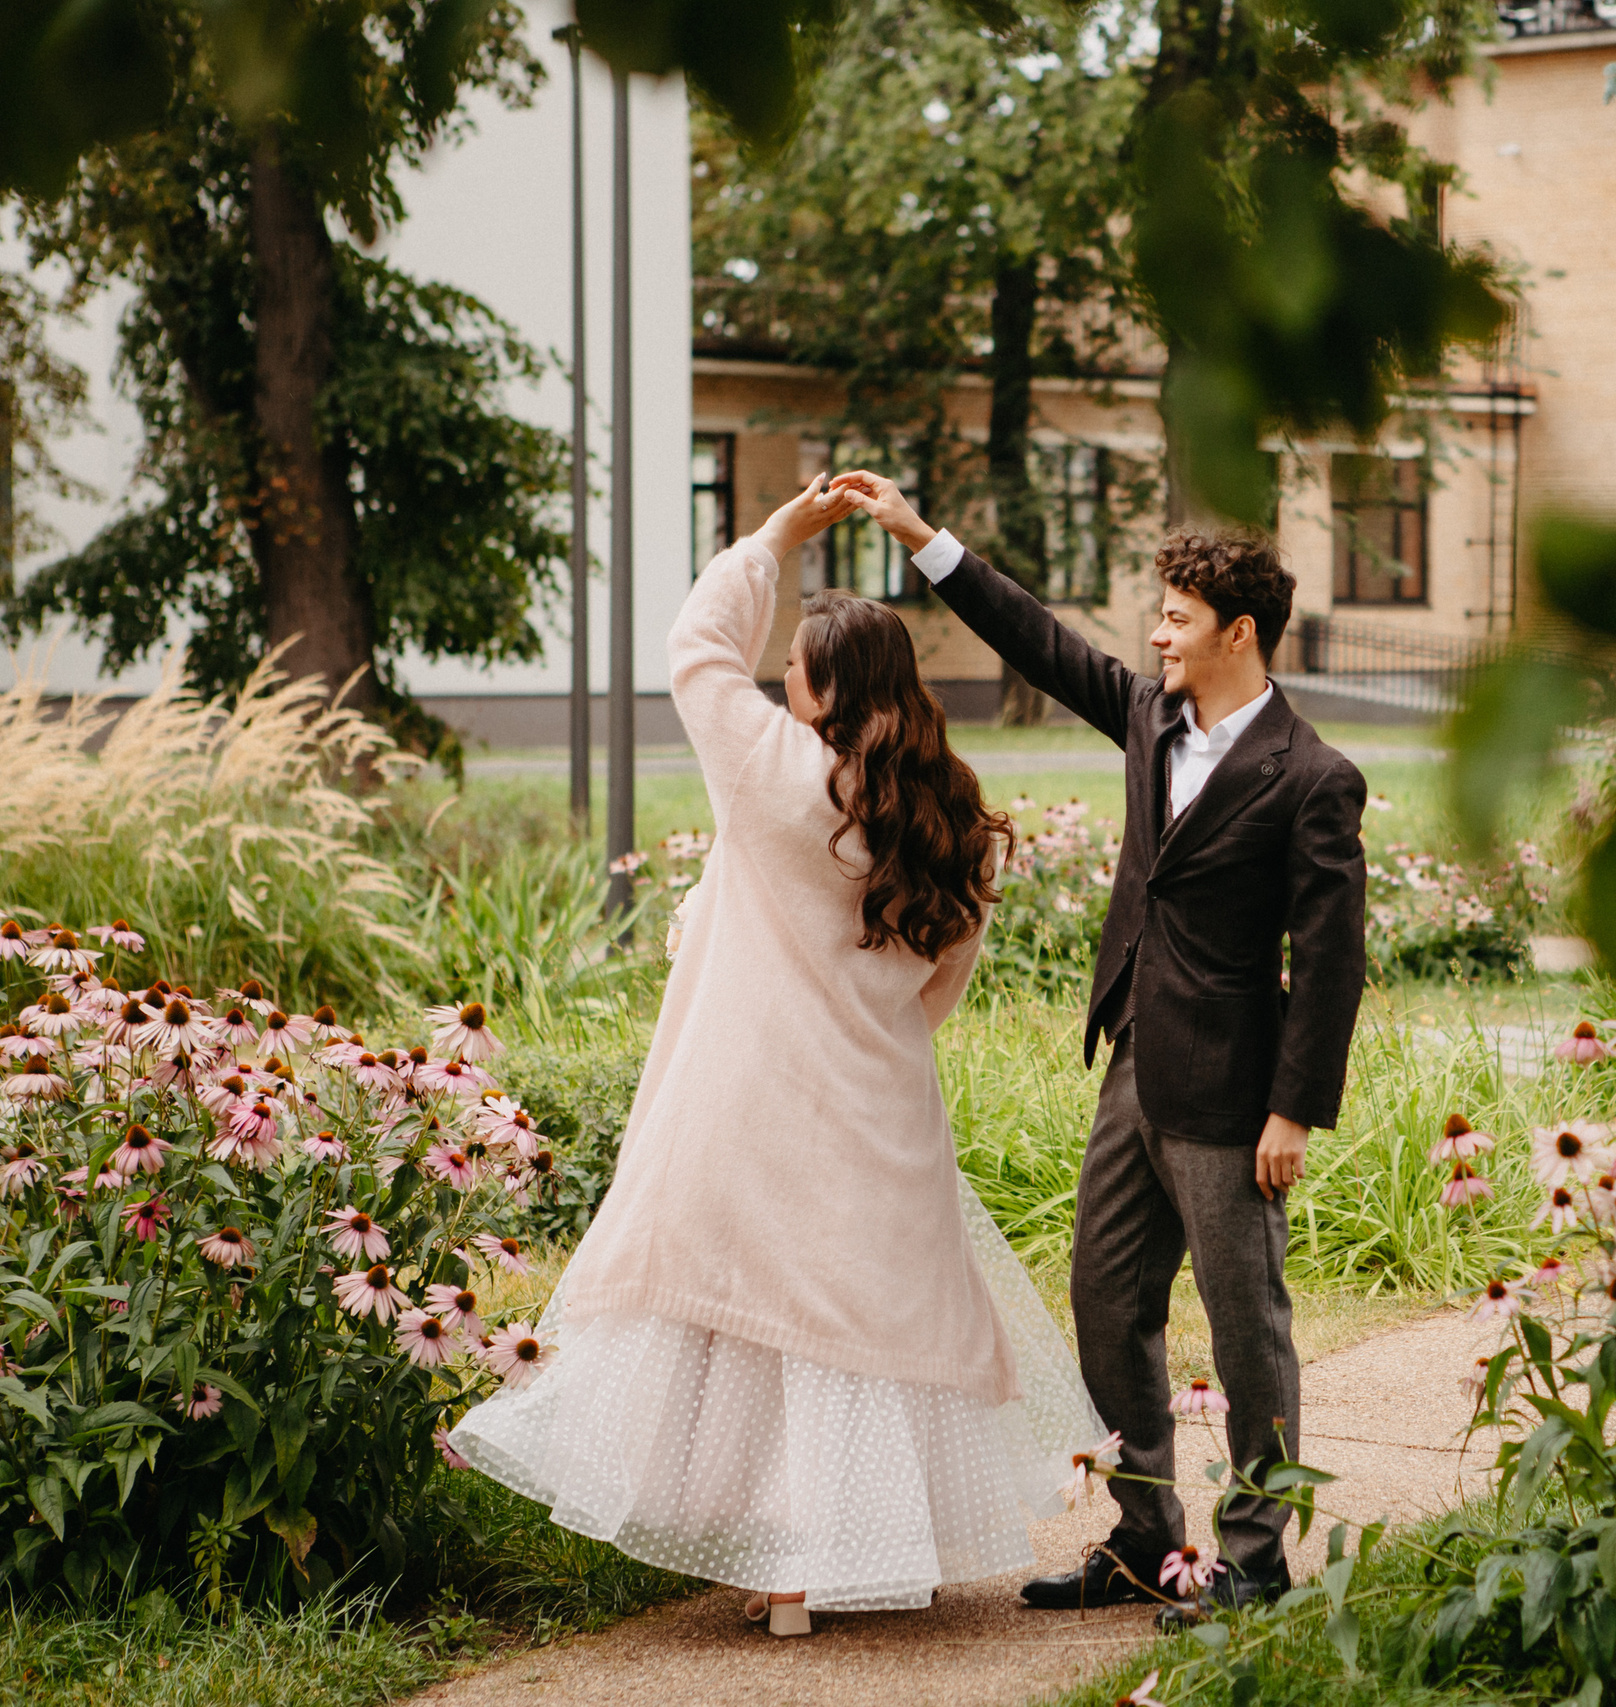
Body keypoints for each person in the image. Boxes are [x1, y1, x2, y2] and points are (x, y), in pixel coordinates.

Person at [449, 476, 1102, 1637]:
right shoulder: (951, 811)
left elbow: (696, 642)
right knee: (850, 1335)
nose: (778, 680)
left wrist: (775, 536)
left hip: (751, 1091)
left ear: (819, 689)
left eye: (794, 668)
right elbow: (944, 982)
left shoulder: (768, 772)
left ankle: (786, 1573)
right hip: (881, 1099)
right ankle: (832, 1561)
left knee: (756, 1325)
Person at [832, 471, 1368, 1619]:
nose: (1155, 634)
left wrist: (1293, 1112)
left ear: (1238, 633)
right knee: (1104, 1300)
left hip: (1232, 1097)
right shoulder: (1146, 714)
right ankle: (1141, 1538)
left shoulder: (1314, 777)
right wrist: (923, 538)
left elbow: (1330, 963)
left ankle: (1255, 1560)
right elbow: (1036, 639)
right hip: (1134, 1068)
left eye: (1175, 619)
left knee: (1247, 1332)